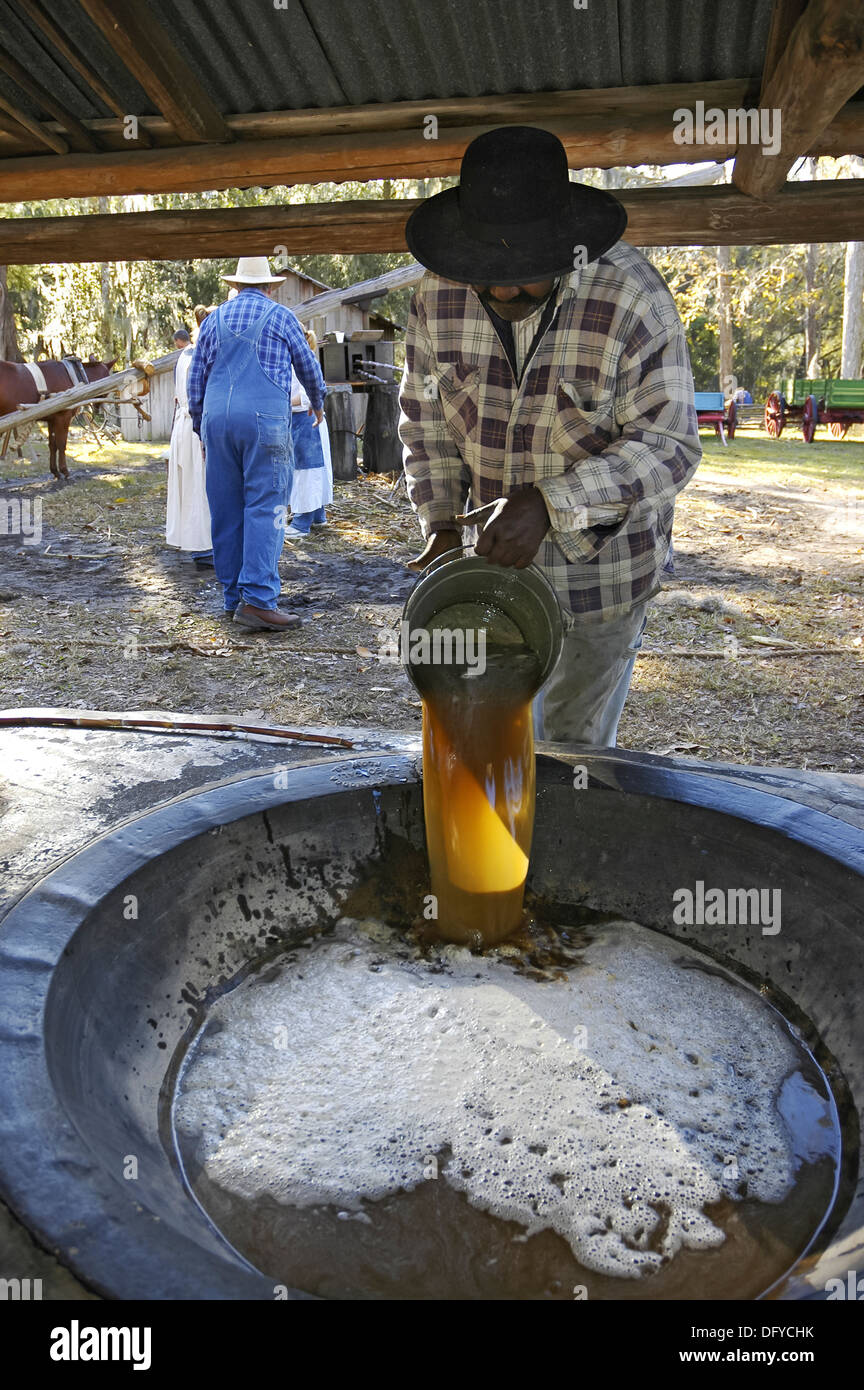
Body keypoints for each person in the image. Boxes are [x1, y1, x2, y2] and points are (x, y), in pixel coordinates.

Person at [398, 126, 702, 746]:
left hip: (602, 581)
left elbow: (670, 447)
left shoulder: (631, 297)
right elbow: (425, 422)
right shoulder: (436, 294)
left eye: (524, 273)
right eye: (489, 273)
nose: (504, 289)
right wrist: (440, 521)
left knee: (573, 757)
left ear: (567, 248)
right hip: (488, 579)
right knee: (486, 741)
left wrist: (549, 503)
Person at [187, 256, 325, 633]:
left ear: (235, 286)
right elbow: (308, 366)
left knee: (226, 508)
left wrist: (202, 427)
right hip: (265, 422)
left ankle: (233, 597)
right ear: (269, 286)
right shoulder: (282, 317)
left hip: (218, 423)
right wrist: (319, 400)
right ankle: (260, 601)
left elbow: (196, 379)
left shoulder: (212, 321)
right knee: (268, 507)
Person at [166, 318, 212, 562]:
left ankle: (197, 541)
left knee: (192, 484)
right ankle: (203, 544)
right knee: (200, 485)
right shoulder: (198, 356)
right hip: (196, 425)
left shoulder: (184, 355)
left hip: (184, 424)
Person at [286, 328, 334, 539]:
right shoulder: (298, 359)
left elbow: (305, 396)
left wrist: (280, 401)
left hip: (306, 420)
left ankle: (301, 521)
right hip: (302, 420)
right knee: (313, 469)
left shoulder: (301, 361)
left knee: (305, 470)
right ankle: (317, 515)